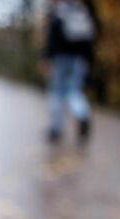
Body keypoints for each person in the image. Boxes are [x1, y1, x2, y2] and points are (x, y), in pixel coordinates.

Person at [41, 0, 96, 144]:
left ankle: (56, 129)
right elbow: (89, 43)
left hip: (60, 60)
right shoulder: (82, 14)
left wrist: (47, 58)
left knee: (56, 93)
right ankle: (82, 114)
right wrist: (88, 62)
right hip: (79, 61)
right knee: (73, 92)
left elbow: (51, 39)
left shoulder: (61, 13)